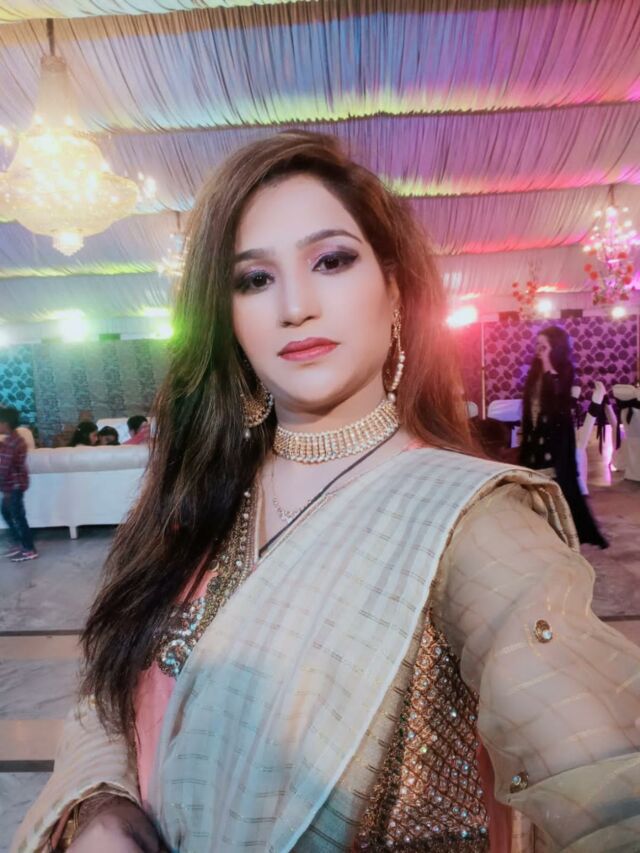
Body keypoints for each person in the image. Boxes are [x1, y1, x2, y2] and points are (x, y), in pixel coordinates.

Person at [14, 133, 640, 853]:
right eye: (255, 279)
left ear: (394, 288)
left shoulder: (469, 519)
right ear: (227, 318)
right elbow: (111, 690)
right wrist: (101, 806)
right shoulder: (200, 494)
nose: (296, 305)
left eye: (332, 260)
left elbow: (605, 780)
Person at [519, 326, 608, 548]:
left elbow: (558, 404)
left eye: (544, 346)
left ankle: (566, 529)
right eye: (537, 345)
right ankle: (540, 526)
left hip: (556, 436)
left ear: (555, 348)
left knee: (561, 484)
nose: (539, 350)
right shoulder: (535, 371)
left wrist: (548, 367)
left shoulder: (564, 371)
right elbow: (531, 407)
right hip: (535, 435)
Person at [0, 406, 37, 562]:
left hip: (13, 485)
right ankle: (19, 543)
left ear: (5, 424)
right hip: (13, 485)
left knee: (18, 517)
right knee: (7, 513)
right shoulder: (12, 440)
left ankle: (29, 549)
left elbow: (4, 466)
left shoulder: (12, 443)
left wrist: (4, 487)